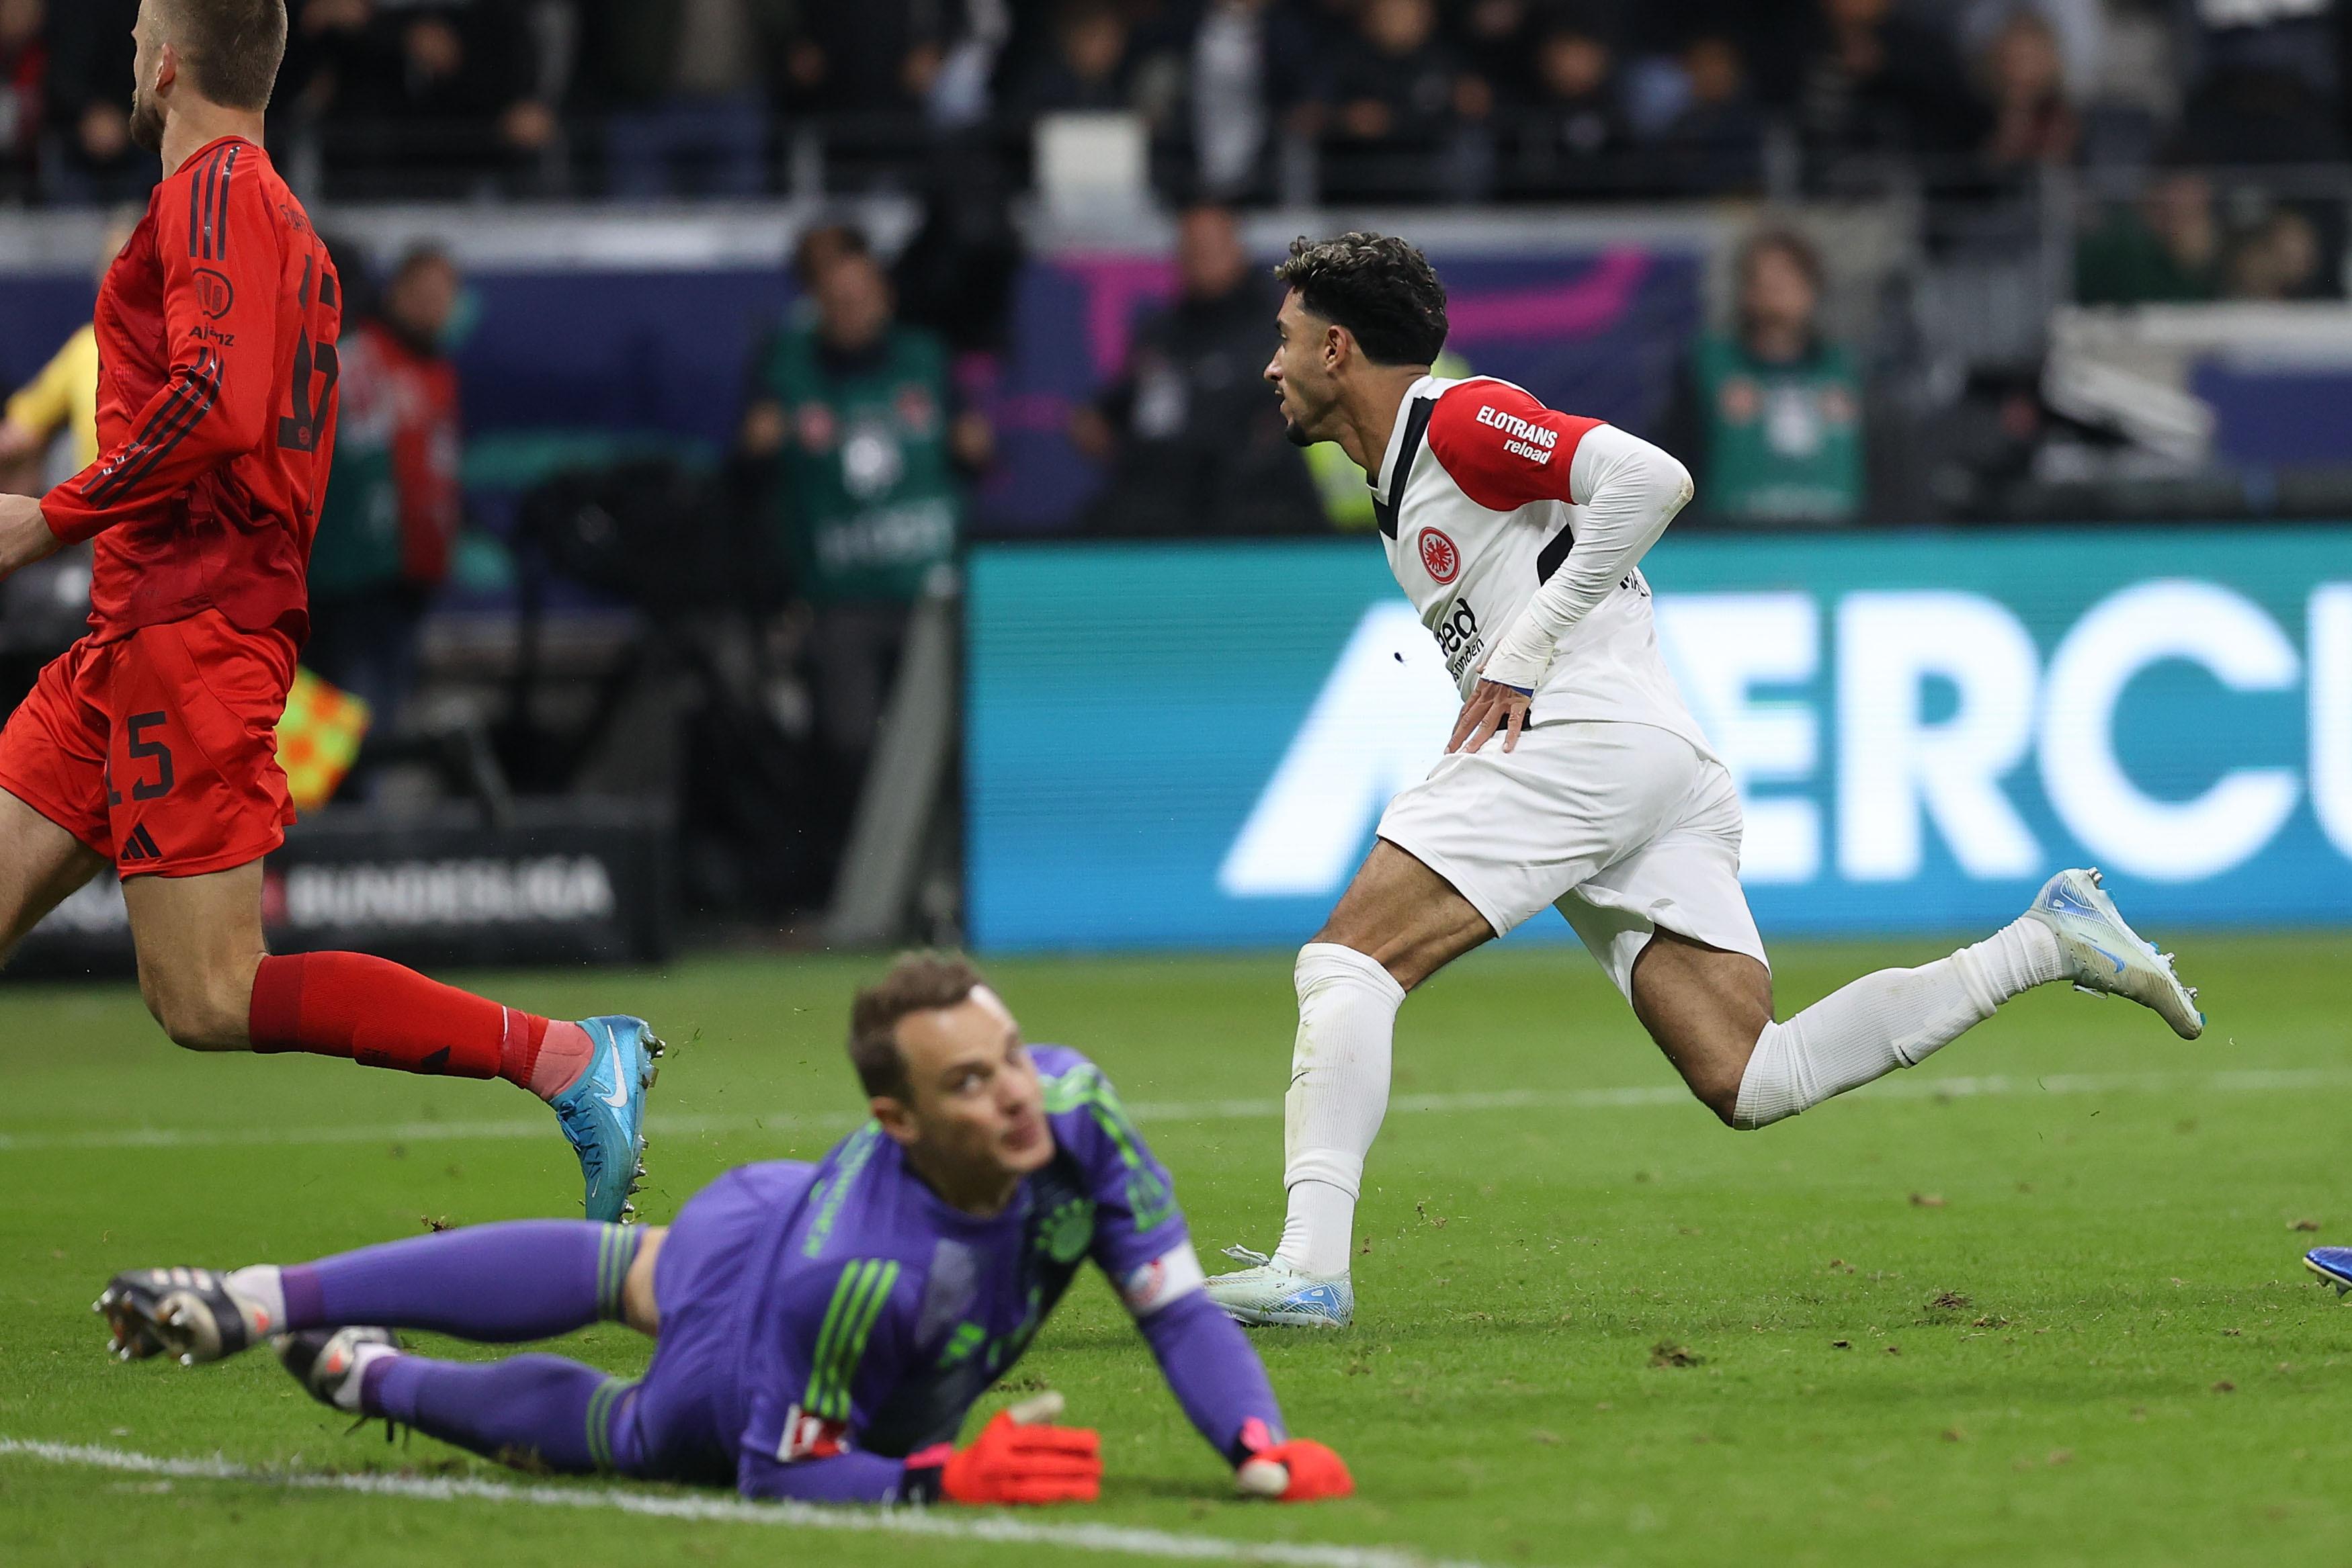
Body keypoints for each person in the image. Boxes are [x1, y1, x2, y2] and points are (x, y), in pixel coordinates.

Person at [1204, 232, 2203, 1329]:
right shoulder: (1401, 476)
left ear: (1338, 348)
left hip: (1585, 733)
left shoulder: (1457, 416)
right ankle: (2046, 940)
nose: (1272, 364)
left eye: (1288, 340)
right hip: (1654, 755)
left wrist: (1525, 650)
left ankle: (1310, 1263)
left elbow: (1652, 476)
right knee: (1751, 1074)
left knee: (1350, 961)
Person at [0, 0, 659, 1225]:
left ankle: (568, 1055)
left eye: (143, 23)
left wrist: (52, 514)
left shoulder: (214, 195)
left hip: (192, 635)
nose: (133, 43)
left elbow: (220, 403)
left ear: (168, 60)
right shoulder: (278, 220)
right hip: (137, 636)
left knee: (208, 991)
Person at [95, 953, 1355, 1509]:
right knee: (630, 1431)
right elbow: (783, 1470)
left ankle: (265, 1298)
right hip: (763, 1316)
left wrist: (1255, 1440)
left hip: (765, 1202)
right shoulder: (857, 1281)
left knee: (620, 1265)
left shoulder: (1077, 1113)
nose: (1016, 1089)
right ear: (897, 1116)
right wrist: (936, 1476)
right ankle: (379, 1370)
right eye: (970, 1082)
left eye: (1011, 1054)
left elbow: (1179, 1307)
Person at [741, 225, 988, 858]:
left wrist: (974, 445)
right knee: (851, 740)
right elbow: (749, 467)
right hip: (841, 594)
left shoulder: (925, 359)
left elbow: (972, 449)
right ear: (818, 303)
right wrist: (758, 446)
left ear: (884, 297)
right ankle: (874, 875)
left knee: (955, 737)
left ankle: (952, 873)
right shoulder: (789, 368)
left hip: (929, 591)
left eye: (862, 295)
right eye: (837, 297)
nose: (852, 309)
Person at [1072, 203, 1321, 537]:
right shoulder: (1162, 331)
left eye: (1210, 247)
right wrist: (1100, 423)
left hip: (1246, 496)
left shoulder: (1277, 326)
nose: (1200, 257)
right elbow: (1125, 404)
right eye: (1191, 248)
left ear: (1236, 248)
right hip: (1158, 493)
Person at [304, 244, 464, 730]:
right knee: (352, 720)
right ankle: (339, 803)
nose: (438, 308)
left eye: (446, 296)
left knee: (384, 714)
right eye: (427, 293)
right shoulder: (358, 362)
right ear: (398, 292)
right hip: (352, 578)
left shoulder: (435, 371)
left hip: (408, 573)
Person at [1661, 228, 1867, 527]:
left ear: (1812, 288)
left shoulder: (1848, 370)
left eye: (1788, 277)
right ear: (1745, 290)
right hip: (1731, 541)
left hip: (1837, 541)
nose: (1775, 289)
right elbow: (1677, 454)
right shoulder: (1707, 369)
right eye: (1763, 279)